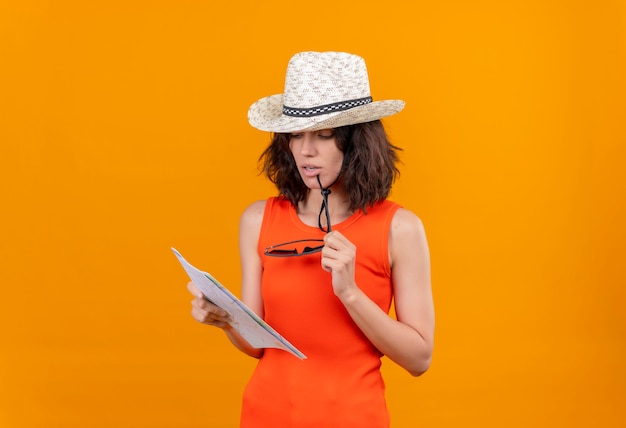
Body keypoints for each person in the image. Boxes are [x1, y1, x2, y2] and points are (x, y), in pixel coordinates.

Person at [188, 51, 434, 428]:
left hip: (354, 417)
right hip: (266, 414)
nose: (306, 151)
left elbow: (419, 359)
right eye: (296, 135)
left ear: (355, 143)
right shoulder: (258, 220)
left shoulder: (400, 228)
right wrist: (226, 321)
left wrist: (350, 292)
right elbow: (257, 346)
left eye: (324, 135)